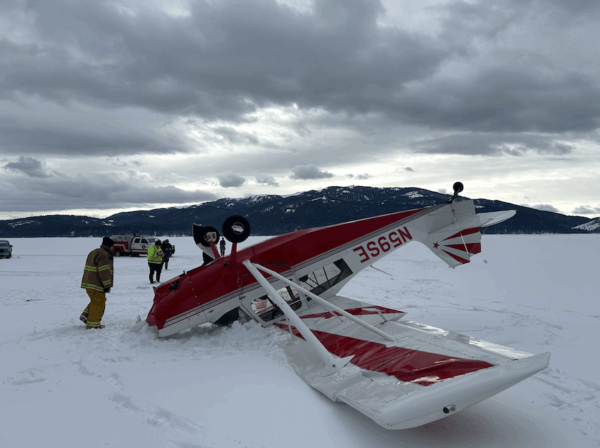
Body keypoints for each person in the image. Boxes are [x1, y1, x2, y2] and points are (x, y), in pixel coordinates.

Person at [80, 236, 114, 329]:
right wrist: (107, 285)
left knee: (97, 300)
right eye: (112, 247)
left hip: (89, 283)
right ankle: (92, 325)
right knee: (98, 303)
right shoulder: (104, 255)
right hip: (96, 284)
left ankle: (85, 315)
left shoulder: (94, 252)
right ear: (109, 246)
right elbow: (104, 271)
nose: (113, 249)